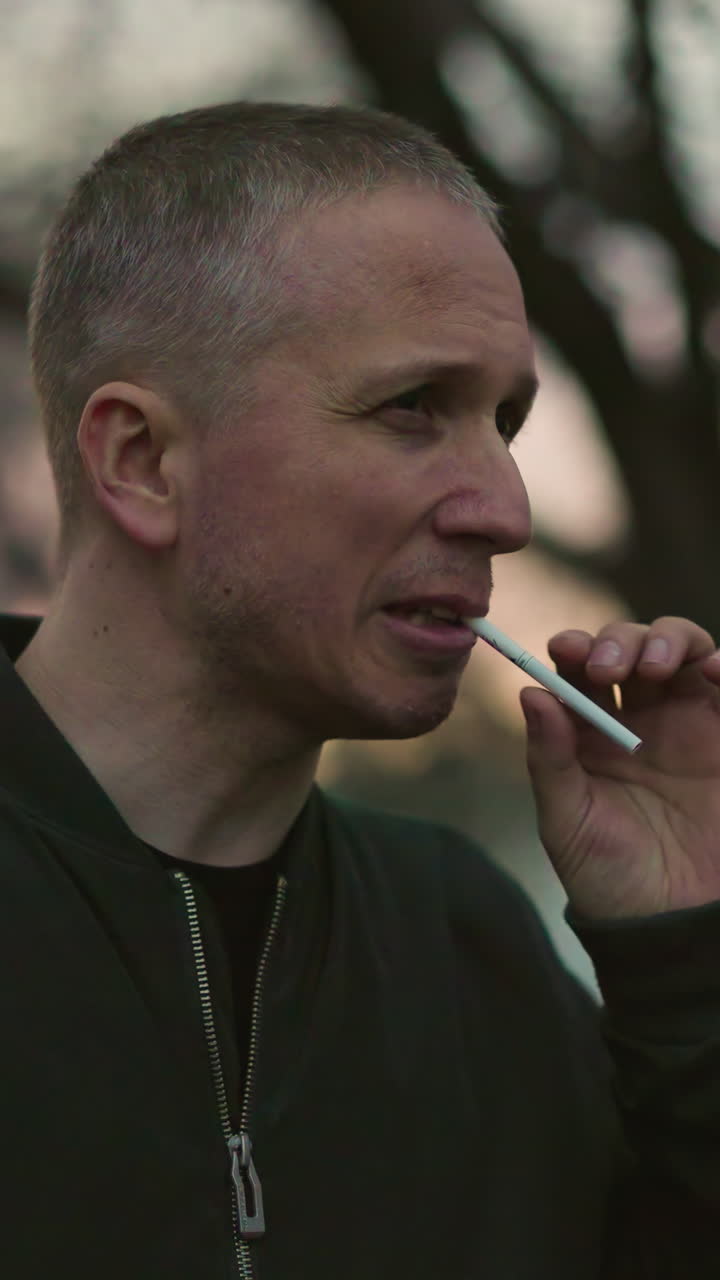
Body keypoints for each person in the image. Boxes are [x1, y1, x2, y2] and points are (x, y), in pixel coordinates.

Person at [3, 101, 720, 1280]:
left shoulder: (466, 945)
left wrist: (686, 964)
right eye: (411, 408)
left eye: (505, 419)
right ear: (141, 460)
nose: (505, 507)